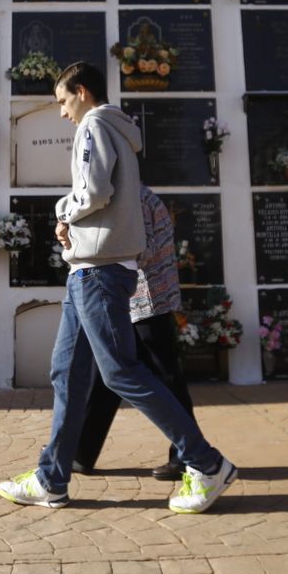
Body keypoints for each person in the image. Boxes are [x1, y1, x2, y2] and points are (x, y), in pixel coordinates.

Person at [0, 62, 238, 514]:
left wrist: (63, 212)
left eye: (64, 100)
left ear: (82, 92)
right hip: (87, 268)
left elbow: (94, 191)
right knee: (66, 372)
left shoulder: (94, 125)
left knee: (121, 372)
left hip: (99, 269)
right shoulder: (118, 130)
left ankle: (206, 464)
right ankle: (52, 479)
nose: (63, 112)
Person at [72, 184, 194, 481]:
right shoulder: (135, 197)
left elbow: (141, 249)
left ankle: (187, 456)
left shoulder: (135, 200)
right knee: (108, 373)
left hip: (146, 298)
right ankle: (82, 452)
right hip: (129, 298)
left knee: (167, 378)